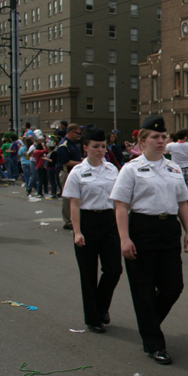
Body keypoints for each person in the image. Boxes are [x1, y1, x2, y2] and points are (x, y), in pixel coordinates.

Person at [110, 116, 188, 365]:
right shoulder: (131, 169)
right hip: (141, 229)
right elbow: (121, 207)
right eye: (156, 137)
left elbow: (182, 203)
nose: (161, 141)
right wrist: (124, 239)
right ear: (143, 140)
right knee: (143, 290)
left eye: (163, 137)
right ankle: (155, 343)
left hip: (168, 229)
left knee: (173, 286)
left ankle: (148, 324)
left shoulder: (174, 168)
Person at [62, 124, 122, 334]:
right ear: (85, 147)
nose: (100, 150)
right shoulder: (78, 172)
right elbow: (74, 204)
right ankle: (93, 318)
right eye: (96, 146)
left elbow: (117, 200)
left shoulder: (112, 169)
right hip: (86, 222)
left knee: (114, 269)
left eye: (103, 146)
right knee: (88, 275)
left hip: (108, 221)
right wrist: (77, 231)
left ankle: (101, 306)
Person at [57, 125, 84, 229]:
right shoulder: (64, 145)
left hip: (76, 173)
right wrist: (80, 163)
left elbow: (76, 157)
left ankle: (75, 219)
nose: (79, 136)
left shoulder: (74, 144)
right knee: (68, 198)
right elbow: (66, 162)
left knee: (77, 197)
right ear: (71, 132)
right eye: (78, 133)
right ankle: (68, 221)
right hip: (67, 173)